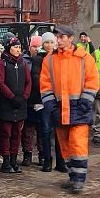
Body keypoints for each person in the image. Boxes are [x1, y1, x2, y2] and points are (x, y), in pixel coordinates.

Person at [40, 26, 100, 193]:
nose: (58, 40)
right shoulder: (50, 60)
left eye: (62, 37)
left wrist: (85, 102)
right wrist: (51, 105)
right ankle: (73, 177)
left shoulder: (84, 58)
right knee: (65, 146)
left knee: (78, 144)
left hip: (78, 107)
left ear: (71, 38)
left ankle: (79, 180)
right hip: (60, 109)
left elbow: (93, 81)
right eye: (56, 37)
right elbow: (45, 85)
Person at [0, 38, 36, 172]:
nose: (18, 49)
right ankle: (6, 160)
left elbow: (29, 82)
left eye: (19, 47)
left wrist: (24, 96)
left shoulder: (23, 63)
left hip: (20, 104)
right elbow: (0, 82)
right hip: (6, 104)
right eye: (15, 47)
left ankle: (14, 159)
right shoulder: (2, 63)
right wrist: (11, 96)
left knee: (17, 133)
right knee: (5, 133)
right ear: (9, 48)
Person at [32, 33, 65, 172]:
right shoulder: (38, 59)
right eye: (46, 42)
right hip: (44, 99)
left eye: (51, 42)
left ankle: (61, 161)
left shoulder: (60, 58)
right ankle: (47, 160)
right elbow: (37, 79)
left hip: (59, 100)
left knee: (59, 131)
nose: (49, 45)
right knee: (45, 131)